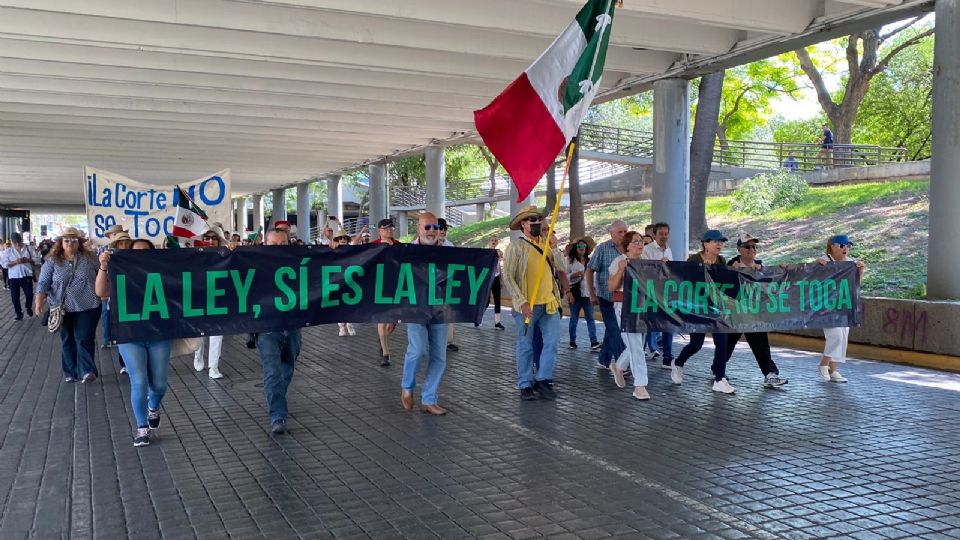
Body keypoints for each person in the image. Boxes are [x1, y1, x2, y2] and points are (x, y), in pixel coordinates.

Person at [96, 238, 171, 446]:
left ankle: (153, 407)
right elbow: (101, 293)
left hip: (158, 333)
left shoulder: (163, 271)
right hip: (130, 334)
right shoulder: (118, 270)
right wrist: (103, 266)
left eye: (145, 251)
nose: (140, 255)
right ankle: (142, 428)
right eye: (135, 252)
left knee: (159, 384)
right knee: (139, 381)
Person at [502, 206, 562, 401]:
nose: (537, 222)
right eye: (532, 220)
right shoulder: (515, 247)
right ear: (523, 224)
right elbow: (508, 277)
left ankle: (543, 379)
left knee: (552, 343)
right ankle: (525, 383)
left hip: (550, 303)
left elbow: (562, 267)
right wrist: (521, 302)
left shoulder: (547, 244)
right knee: (525, 345)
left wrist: (554, 247)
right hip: (528, 305)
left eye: (538, 219)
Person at [670, 230, 736, 394]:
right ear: (705, 244)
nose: (719, 244)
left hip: (716, 308)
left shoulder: (721, 260)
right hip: (697, 308)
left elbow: (726, 280)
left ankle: (720, 379)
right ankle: (678, 363)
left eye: (721, 242)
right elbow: (683, 280)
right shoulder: (693, 260)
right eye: (715, 241)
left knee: (722, 342)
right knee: (696, 344)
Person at [35, 228, 102, 383]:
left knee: (84, 337)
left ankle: (87, 371)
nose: (70, 243)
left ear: (79, 243)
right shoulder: (51, 261)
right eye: (66, 240)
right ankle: (70, 371)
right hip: (62, 307)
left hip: (88, 305)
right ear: (61, 243)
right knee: (67, 338)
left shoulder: (90, 258)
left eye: (74, 240)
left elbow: (102, 273)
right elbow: (44, 282)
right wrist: (39, 300)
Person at [400, 212, 450, 415]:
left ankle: (429, 399)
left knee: (439, 355)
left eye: (436, 227)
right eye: (427, 227)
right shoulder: (407, 251)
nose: (432, 231)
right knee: (418, 350)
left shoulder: (450, 250)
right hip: (415, 310)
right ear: (419, 228)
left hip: (441, 308)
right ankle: (407, 386)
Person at [726, 234, 788, 388]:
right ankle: (717, 367)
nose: (751, 249)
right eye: (747, 246)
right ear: (739, 249)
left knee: (761, 344)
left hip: (753, 313)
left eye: (754, 246)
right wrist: (736, 271)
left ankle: (770, 374)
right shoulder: (731, 265)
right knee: (728, 343)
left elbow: (769, 286)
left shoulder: (761, 266)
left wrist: (784, 271)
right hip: (735, 313)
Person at [257, 228, 303, 434]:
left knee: (287, 367)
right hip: (266, 326)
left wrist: (333, 249)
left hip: (292, 324)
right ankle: (278, 415)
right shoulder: (251, 263)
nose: (277, 248)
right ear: (264, 244)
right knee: (273, 371)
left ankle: (277, 399)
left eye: (281, 244)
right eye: (272, 244)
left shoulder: (299, 261)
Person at [816, 235, 866, 383]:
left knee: (842, 337)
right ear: (832, 246)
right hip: (826, 307)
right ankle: (823, 364)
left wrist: (861, 271)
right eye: (843, 245)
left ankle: (833, 370)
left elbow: (855, 284)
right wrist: (816, 265)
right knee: (835, 335)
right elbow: (812, 278)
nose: (846, 248)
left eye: (848, 246)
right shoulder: (824, 261)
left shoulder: (851, 263)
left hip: (844, 305)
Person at [607, 231, 651, 400]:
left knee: (638, 343)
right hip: (625, 307)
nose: (640, 244)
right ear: (627, 246)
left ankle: (619, 366)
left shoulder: (646, 262)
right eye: (635, 242)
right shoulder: (619, 261)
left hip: (643, 306)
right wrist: (620, 271)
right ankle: (640, 385)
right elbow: (611, 287)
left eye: (641, 241)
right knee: (636, 345)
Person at [585, 220, 628, 369]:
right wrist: (592, 293)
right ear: (611, 233)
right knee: (615, 329)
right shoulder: (602, 249)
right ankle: (622, 364)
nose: (623, 235)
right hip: (606, 297)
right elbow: (590, 270)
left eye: (625, 232)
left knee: (612, 330)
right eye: (619, 232)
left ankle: (603, 359)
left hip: (624, 299)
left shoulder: (630, 249)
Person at [193, 225, 228, 379]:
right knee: (200, 332)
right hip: (198, 298)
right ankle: (198, 355)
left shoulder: (225, 254)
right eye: (206, 238)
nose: (210, 241)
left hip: (219, 298)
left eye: (214, 238)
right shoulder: (194, 255)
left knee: (217, 333)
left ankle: (213, 366)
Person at [641, 222, 675, 368]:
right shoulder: (646, 250)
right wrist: (658, 264)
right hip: (649, 293)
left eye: (666, 233)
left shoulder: (669, 250)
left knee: (669, 325)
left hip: (665, 293)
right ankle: (639, 353)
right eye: (661, 233)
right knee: (645, 325)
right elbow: (642, 269)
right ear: (654, 234)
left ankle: (667, 356)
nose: (664, 236)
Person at [372, 218, 401, 367]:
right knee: (382, 320)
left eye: (391, 228)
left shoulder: (399, 246)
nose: (389, 230)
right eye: (386, 228)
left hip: (396, 286)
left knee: (392, 323)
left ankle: (383, 339)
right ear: (379, 231)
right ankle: (385, 353)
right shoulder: (373, 247)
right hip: (380, 287)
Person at [565, 236, 599, 350]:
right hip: (575, 293)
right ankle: (572, 340)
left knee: (590, 317)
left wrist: (594, 292)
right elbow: (563, 277)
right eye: (579, 246)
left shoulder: (591, 261)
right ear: (575, 248)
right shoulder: (570, 261)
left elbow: (595, 278)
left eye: (584, 246)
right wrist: (573, 275)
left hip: (587, 294)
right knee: (574, 317)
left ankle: (594, 342)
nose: (581, 248)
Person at [2, 232, 36, 321]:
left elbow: (35, 259)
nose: (17, 244)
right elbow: (4, 264)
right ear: (12, 242)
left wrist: (27, 260)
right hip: (14, 277)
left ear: (21, 240)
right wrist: (15, 262)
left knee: (29, 294)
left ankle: (28, 307)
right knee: (14, 297)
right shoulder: (8, 251)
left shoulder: (29, 248)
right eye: (15, 243)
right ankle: (19, 314)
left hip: (26, 276)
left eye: (19, 242)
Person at [437, 218, 459, 351]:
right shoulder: (425, 245)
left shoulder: (450, 246)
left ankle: (449, 341)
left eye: (445, 228)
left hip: (447, 284)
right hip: (430, 286)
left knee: (449, 311)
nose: (443, 231)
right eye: (440, 228)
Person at [330, 228, 357, 337]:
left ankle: (349, 323)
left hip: (350, 280)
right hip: (337, 280)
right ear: (337, 240)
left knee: (350, 302)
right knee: (339, 303)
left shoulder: (351, 250)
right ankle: (341, 326)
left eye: (344, 238)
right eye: (340, 238)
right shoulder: (332, 249)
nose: (343, 239)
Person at [479, 236, 505, 330]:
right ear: (489, 242)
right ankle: (478, 318)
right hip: (488, 278)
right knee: (486, 301)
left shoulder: (498, 252)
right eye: (492, 240)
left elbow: (499, 266)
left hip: (496, 277)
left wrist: (501, 279)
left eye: (495, 240)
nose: (494, 242)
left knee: (498, 300)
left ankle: (497, 322)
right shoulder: (486, 253)